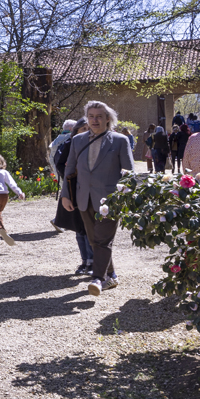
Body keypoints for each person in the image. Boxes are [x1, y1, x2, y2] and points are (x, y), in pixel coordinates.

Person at [61, 101, 135, 296]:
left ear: (107, 118)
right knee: (94, 241)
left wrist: (126, 198)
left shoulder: (120, 140)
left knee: (102, 240)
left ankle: (98, 278)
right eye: (91, 116)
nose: (94, 120)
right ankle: (111, 275)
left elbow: (129, 173)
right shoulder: (78, 140)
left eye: (99, 116)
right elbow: (69, 170)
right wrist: (65, 196)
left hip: (110, 200)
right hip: (83, 197)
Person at [54, 118, 94, 274]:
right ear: (76, 130)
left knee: (90, 227)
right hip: (74, 189)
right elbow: (60, 163)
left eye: (88, 128)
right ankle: (85, 261)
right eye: (82, 128)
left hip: (92, 191)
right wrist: (71, 178)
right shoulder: (70, 144)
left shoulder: (97, 144)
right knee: (79, 228)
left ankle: (92, 262)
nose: (85, 131)